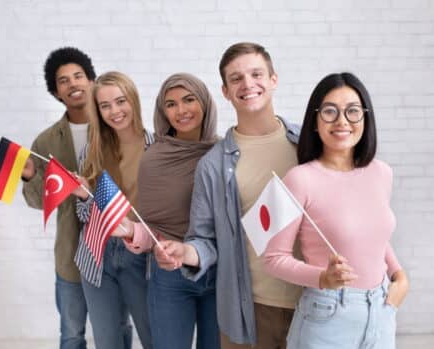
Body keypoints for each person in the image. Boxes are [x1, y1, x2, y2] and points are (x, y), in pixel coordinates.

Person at [157, 42, 302, 348]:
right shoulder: (213, 164)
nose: (248, 84)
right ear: (225, 91)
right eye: (236, 78)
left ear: (274, 80)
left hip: (316, 302)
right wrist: (186, 253)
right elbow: (204, 238)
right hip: (252, 309)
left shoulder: (308, 144)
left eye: (256, 74)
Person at [262, 72, 409, 349]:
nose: (342, 121)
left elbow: (374, 232)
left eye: (353, 111)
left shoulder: (382, 173)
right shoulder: (299, 178)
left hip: (381, 310)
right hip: (327, 317)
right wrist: (322, 278)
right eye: (330, 111)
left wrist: (399, 277)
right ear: (315, 121)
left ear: (366, 118)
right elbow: (273, 258)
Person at [115, 73, 220, 349]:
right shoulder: (154, 159)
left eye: (189, 99)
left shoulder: (224, 153)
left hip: (220, 272)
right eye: (171, 104)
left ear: (205, 102)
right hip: (170, 273)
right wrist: (131, 231)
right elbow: (151, 227)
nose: (181, 110)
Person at [73, 71, 154, 349]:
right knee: (109, 342)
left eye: (120, 101)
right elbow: (84, 216)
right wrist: (84, 197)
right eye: (105, 106)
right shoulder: (91, 152)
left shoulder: (157, 149)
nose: (114, 111)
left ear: (133, 100)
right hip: (97, 255)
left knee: (154, 336)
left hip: (141, 256)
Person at [22, 47, 95, 349]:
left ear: (92, 80)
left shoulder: (117, 127)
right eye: (63, 80)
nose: (73, 83)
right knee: (72, 334)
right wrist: (29, 175)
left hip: (117, 251)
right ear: (56, 92)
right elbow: (38, 201)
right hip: (71, 255)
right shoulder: (46, 141)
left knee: (117, 329)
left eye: (78, 75)